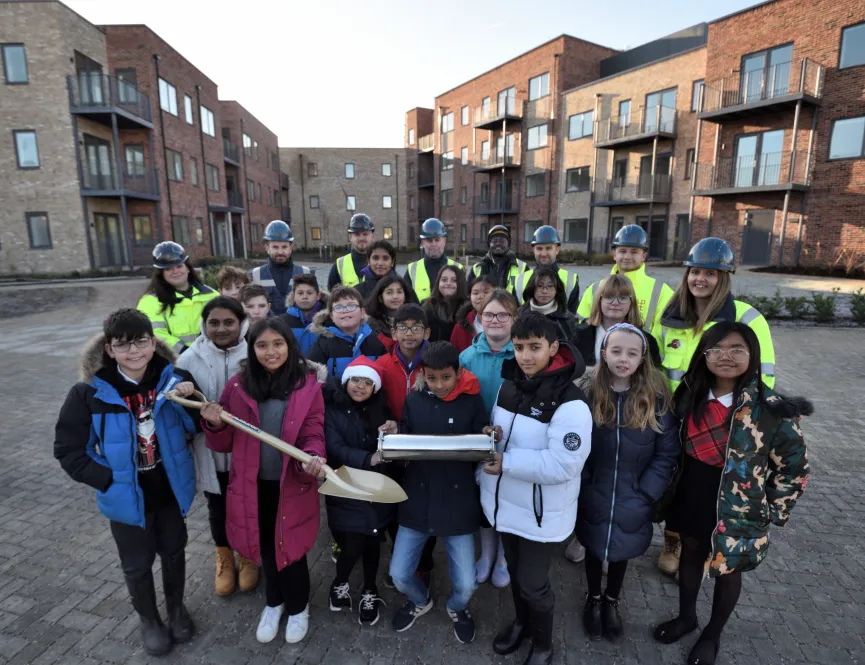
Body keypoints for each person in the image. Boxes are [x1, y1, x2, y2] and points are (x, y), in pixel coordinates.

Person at [653, 321, 810, 665]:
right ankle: (686, 617)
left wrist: (773, 511)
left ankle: (712, 634)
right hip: (692, 492)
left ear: (752, 355)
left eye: (737, 349)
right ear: (704, 355)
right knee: (691, 553)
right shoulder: (688, 394)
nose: (726, 357)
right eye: (717, 349)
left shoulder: (771, 409)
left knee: (728, 568)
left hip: (738, 506)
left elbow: (794, 467)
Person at [54, 309, 200, 656]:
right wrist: (108, 480)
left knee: (174, 550)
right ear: (109, 349)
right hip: (125, 498)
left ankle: (177, 609)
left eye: (140, 342)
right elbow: (69, 449)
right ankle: (150, 620)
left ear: (153, 343)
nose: (133, 352)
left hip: (168, 490)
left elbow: (197, 427)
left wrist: (190, 399)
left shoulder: (174, 379)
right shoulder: (89, 393)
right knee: (136, 563)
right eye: (123, 345)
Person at [653, 238, 776, 577]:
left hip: (719, 422)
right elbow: (654, 365)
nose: (700, 279)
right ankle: (672, 543)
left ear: (724, 277)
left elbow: (764, 377)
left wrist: (746, 422)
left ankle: (703, 547)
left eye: (710, 272)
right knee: (674, 485)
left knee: (708, 489)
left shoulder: (747, 318)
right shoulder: (670, 314)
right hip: (674, 418)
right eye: (695, 271)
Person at [201, 318, 328, 645]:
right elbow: (223, 442)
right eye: (262, 345)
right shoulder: (238, 387)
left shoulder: (307, 385)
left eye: (278, 344)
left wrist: (313, 454)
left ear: (290, 345)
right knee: (267, 551)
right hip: (252, 487)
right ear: (252, 348)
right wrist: (214, 424)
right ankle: (274, 602)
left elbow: (313, 430)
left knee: (293, 550)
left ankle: (299, 608)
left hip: (292, 485)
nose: (270, 352)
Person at [479, 312, 592, 665]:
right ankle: (522, 623)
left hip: (541, 513)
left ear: (554, 348)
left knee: (533, 583)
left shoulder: (571, 401)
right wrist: (492, 434)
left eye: (535, 347)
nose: (526, 356)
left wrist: (507, 462)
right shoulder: (510, 383)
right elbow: (505, 432)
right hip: (505, 503)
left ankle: (544, 644)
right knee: (515, 573)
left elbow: (564, 464)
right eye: (519, 347)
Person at [577, 323, 677, 642]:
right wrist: (584, 482)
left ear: (642, 358)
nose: (624, 359)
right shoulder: (588, 394)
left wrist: (648, 491)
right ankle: (593, 597)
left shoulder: (655, 398)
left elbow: (666, 452)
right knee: (594, 546)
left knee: (620, 551)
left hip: (635, 494)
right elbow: (574, 443)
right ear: (603, 353)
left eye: (632, 353)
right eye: (616, 351)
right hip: (595, 490)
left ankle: (611, 601)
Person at [389, 341, 487, 644]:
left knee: (468, 585)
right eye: (432, 378)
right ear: (423, 375)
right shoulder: (414, 400)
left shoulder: (472, 401)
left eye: (446, 377)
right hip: (418, 498)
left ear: (458, 372)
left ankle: (457, 607)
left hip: (457, 501)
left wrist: (488, 435)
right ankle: (420, 600)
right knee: (399, 575)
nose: (440, 384)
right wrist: (394, 431)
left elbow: (482, 442)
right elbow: (405, 433)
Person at [175, 296, 259, 598]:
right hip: (209, 448)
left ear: (242, 323)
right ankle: (224, 556)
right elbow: (180, 405)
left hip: (246, 447)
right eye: (213, 323)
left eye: (229, 322)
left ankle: (248, 555)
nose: (221, 329)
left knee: (249, 503)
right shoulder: (188, 358)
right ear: (204, 324)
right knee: (218, 505)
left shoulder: (256, 351)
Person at [323, 357, 397, 626]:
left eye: (368, 382)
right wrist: (369, 459)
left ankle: (369, 589)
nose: (360, 387)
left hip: (375, 486)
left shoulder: (381, 409)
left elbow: (393, 441)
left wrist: (393, 431)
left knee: (372, 541)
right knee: (352, 543)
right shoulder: (332, 410)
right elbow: (335, 448)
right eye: (356, 380)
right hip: (344, 485)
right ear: (346, 380)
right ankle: (339, 582)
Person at [459, 289, 518, 588]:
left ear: (514, 319)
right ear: (480, 319)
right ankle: (486, 553)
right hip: (478, 439)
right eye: (489, 314)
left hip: (514, 441)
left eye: (503, 315)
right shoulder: (467, 357)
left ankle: (505, 557)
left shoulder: (523, 356)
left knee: (509, 499)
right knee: (484, 500)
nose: (495, 320)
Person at [577, 225, 674, 334]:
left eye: (634, 252)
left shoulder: (662, 292)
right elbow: (583, 328)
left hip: (645, 349)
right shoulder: (594, 289)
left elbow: (664, 334)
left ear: (643, 256)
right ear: (614, 255)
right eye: (622, 251)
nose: (627, 257)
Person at [138, 242, 217, 355]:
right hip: (174, 361)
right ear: (161, 273)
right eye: (168, 269)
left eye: (179, 266)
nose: (175, 271)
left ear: (188, 268)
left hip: (212, 356)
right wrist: (185, 352)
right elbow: (155, 333)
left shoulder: (211, 295)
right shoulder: (150, 301)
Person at [573, 274, 662, 370]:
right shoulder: (578, 335)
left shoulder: (648, 342)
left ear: (631, 302)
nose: (615, 303)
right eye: (609, 297)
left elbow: (654, 379)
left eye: (623, 298)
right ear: (599, 300)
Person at [307, 285, 386, 380]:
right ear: (332, 316)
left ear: (362, 312)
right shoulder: (322, 344)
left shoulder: (377, 340)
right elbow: (312, 378)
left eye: (351, 306)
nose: (345, 311)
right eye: (339, 307)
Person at [249, 220, 313, 316]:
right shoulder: (254, 275)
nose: (280, 252)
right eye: (275, 247)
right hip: (266, 330)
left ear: (290, 248)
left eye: (284, 247)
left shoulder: (306, 273)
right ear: (267, 248)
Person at [514, 226, 579, 314]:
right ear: (533, 250)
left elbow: (573, 318)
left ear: (557, 249)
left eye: (548, 248)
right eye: (539, 248)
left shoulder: (571, 280)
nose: (544, 254)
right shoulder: (519, 280)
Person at [519, 265, 581, 348]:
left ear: (557, 290)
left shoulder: (568, 320)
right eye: (540, 286)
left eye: (550, 286)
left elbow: (573, 351)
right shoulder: (519, 315)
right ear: (532, 288)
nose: (545, 291)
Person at [405, 218, 465, 301]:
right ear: (422, 243)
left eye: (437, 240)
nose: (434, 244)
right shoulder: (412, 270)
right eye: (429, 240)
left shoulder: (458, 268)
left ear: (444, 241)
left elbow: (464, 301)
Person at [365, 275, 420, 350]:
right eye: (389, 292)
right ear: (381, 298)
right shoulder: (372, 325)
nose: (395, 296)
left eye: (399, 292)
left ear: (405, 296)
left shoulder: (417, 320)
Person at [281, 274, 327, 356]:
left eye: (309, 293)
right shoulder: (283, 322)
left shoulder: (329, 320)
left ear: (318, 296)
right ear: (293, 296)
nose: (305, 297)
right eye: (300, 293)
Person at [470, 225, 527, 291]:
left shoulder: (523, 268)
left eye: (502, 241)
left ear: (508, 244)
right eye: (494, 241)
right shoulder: (477, 268)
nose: (498, 244)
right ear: (489, 244)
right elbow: (469, 294)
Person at [421, 264, 468, 342]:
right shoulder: (427, 308)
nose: (448, 283)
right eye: (444, 279)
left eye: (454, 280)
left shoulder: (468, 310)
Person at [329, 213, 376, 290]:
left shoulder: (381, 263)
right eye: (357, 234)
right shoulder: (339, 265)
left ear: (372, 236)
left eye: (365, 234)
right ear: (350, 237)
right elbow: (332, 298)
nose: (361, 238)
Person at [450, 276, 494, 353]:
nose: (480, 297)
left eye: (486, 292)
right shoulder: (460, 328)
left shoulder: (506, 324)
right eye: (475, 293)